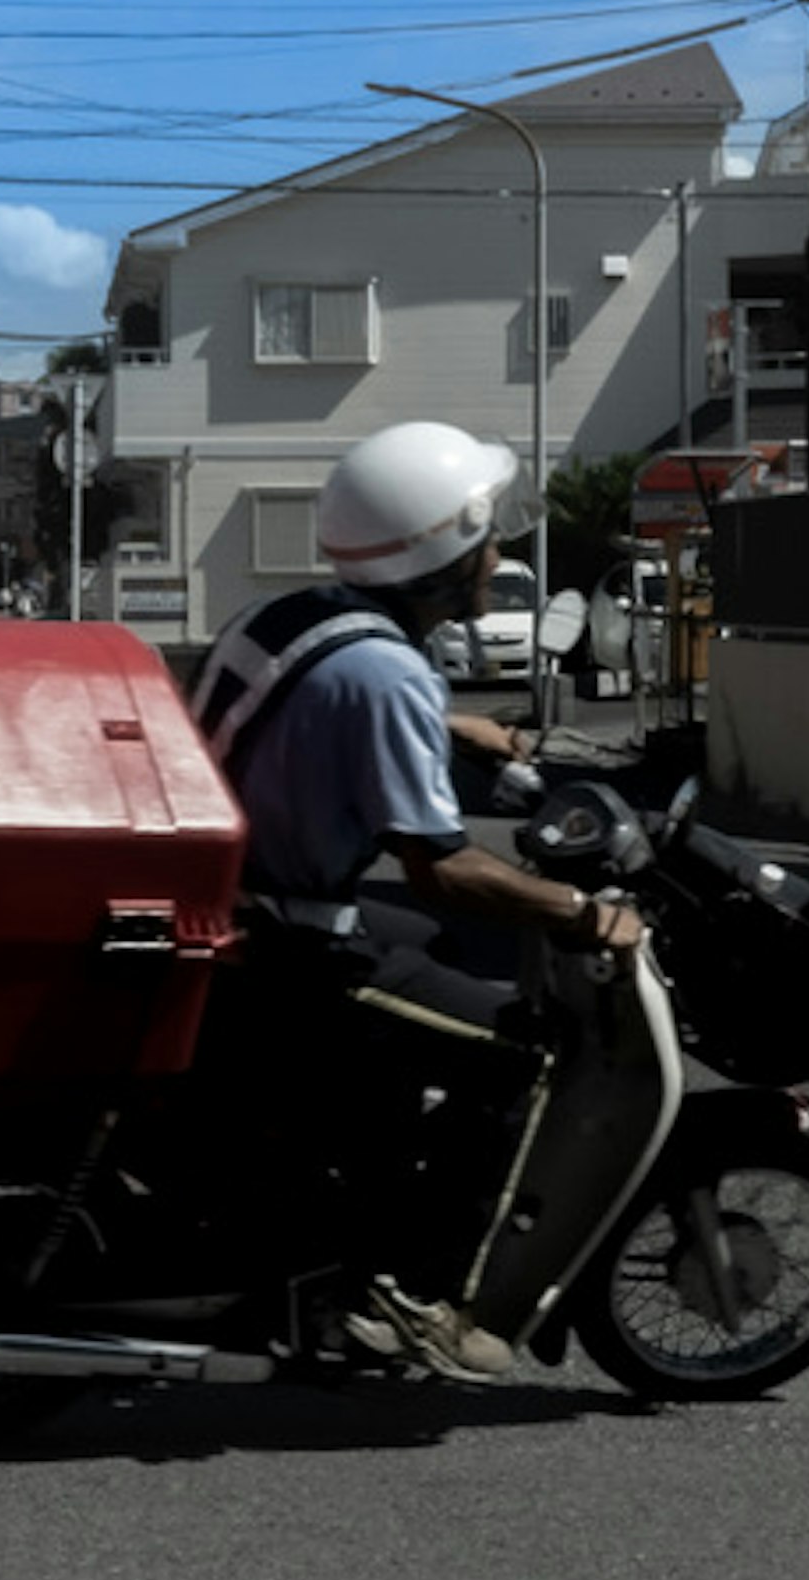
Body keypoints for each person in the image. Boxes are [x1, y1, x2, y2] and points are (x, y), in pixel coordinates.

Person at [186, 419, 644, 1383]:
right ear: (446, 555)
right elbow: (443, 865)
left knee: (430, 951)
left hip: (232, 903)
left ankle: (362, 1189)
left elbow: (327, 699)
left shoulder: (294, 616)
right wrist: (580, 911)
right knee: (527, 1048)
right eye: (487, 539)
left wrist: (455, 724)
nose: (500, 554)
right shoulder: (388, 673)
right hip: (287, 940)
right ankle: (428, 1296)